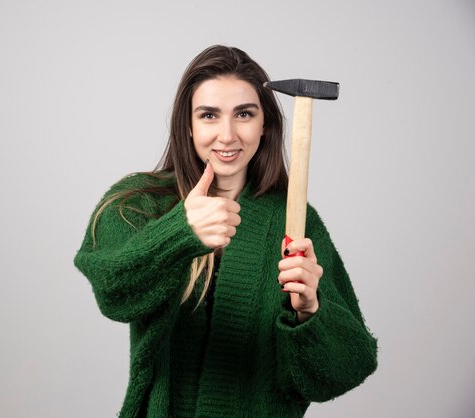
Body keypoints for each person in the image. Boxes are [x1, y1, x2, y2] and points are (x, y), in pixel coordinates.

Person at [74, 45, 377, 418]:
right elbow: (114, 295)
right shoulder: (137, 203)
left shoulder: (297, 222)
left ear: (265, 124)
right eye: (209, 115)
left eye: (244, 114)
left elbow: (346, 371)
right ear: (187, 124)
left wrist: (310, 313)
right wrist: (180, 234)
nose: (227, 134)